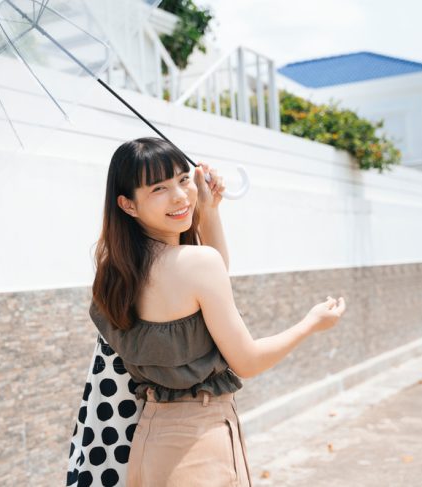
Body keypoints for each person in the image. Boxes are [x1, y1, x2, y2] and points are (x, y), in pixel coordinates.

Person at [87, 136, 347, 486]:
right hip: (198, 445)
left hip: (149, 445)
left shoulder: (114, 273)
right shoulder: (196, 265)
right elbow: (247, 361)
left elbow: (209, 280)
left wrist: (209, 211)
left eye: (182, 179)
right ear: (128, 205)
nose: (180, 196)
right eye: (158, 188)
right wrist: (310, 324)